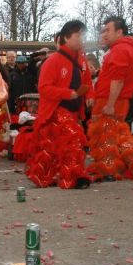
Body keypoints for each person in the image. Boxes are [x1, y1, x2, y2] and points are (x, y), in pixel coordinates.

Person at [24, 20, 91, 189]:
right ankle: (74, 177)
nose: (81, 39)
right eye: (78, 35)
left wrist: (90, 96)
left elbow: (87, 82)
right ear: (66, 38)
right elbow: (44, 88)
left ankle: (46, 176)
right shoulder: (53, 60)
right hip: (56, 110)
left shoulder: (82, 61)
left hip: (74, 110)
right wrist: (68, 93)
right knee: (73, 139)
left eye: (83, 35)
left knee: (54, 147)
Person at [87, 16, 133, 181]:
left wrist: (109, 104)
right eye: (103, 30)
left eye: (108, 30)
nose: (104, 34)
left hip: (110, 100)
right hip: (120, 100)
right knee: (117, 135)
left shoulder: (120, 50)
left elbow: (118, 79)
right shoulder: (130, 49)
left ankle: (109, 171)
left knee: (105, 137)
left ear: (119, 32)